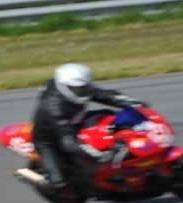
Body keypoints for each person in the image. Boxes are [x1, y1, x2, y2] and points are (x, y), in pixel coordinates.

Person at [32, 63, 147, 191]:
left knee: (109, 116)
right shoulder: (55, 108)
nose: (83, 92)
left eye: (85, 87)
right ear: (64, 87)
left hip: (75, 119)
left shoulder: (78, 88)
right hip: (51, 138)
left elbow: (102, 94)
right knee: (59, 183)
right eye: (78, 89)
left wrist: (131, 102)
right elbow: (69, 144)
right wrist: (101, 156)